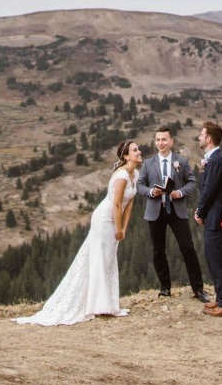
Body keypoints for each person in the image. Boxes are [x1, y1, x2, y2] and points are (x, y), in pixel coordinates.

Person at [15, 140, 143, 326]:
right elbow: (116, 204)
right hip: (105, 219)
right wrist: (117, 228)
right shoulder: (122, 175)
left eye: (138, 149)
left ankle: (106, 304)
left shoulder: (135, 174)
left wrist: (124, 228)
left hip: (115, 220)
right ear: (125, 156)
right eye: (135, 150)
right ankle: (98, 305)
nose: (139, 152)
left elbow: (129, 203)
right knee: (100, 259)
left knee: (108, 260)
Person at [136, 126, 208, 303]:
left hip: (176, 210)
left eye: (164, 139)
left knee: (188, 248)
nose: (161, 143)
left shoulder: (181, 162)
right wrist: (151, 192)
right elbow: (139, 185)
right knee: (158, 251)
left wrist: (180, 193)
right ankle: (165, 288)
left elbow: (191, 182)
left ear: (171, 141)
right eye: (158, 140)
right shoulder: (148, 163)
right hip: (155, 211)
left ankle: (198, 289)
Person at [194, 121, 222, 317]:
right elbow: (207, 187)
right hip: (213, 214)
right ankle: (221, 298)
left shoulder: (217, 160)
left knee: (217, 260)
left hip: (217, 216)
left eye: (201, 135)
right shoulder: (213, 159)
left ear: (208, 139)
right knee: (213, 258)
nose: (199, 138)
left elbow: (209, 191)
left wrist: (200, 212)